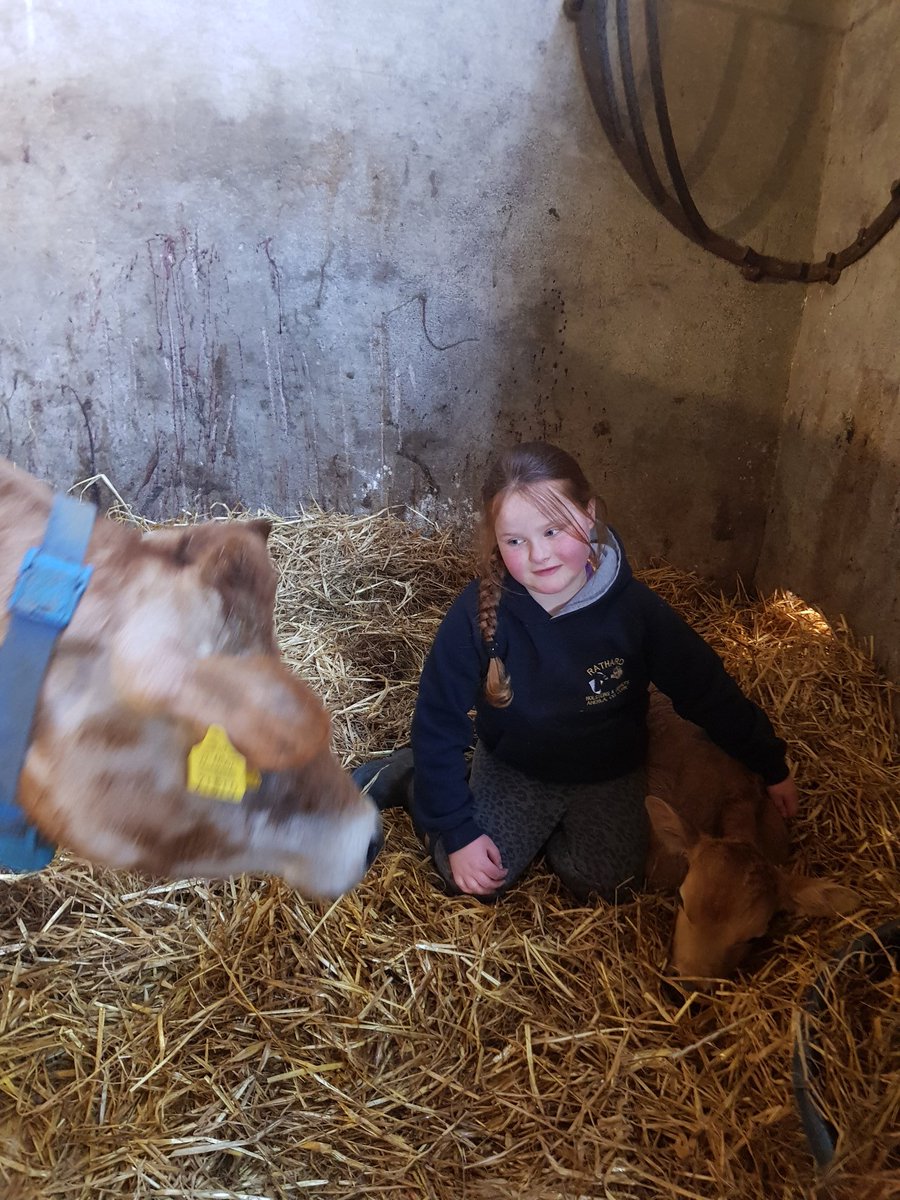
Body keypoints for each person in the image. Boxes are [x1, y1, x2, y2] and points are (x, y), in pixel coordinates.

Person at [355, 441, 798, 902]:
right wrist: (457, 830)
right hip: (516, 764)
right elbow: (437, 720)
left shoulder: (635, 612)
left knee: (608, 887)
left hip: (606, 771)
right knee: (473, 881)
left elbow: (704, 687)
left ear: (588, 514)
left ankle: (538, 826)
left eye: (553, 530)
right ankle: (409, 779)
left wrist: (769, 762)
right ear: (496, 541)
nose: (539, 555)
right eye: (514, 541)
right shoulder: (478, 615)